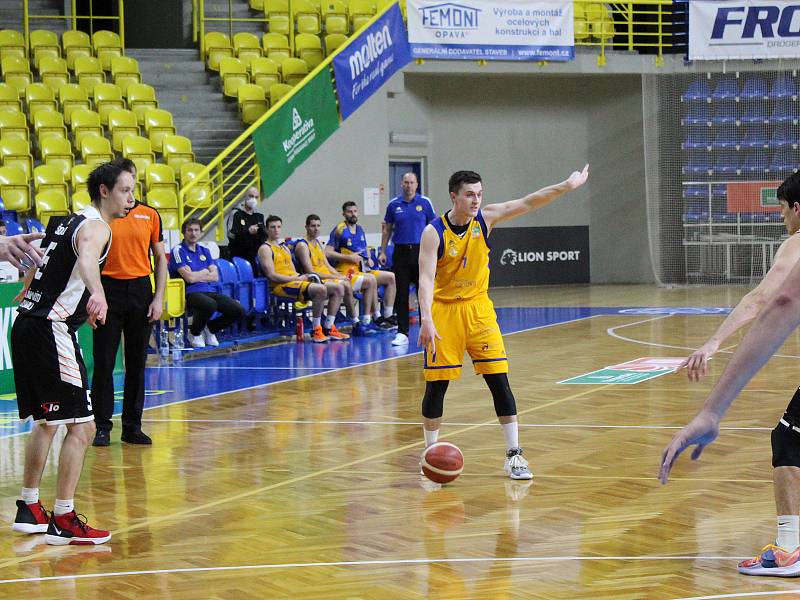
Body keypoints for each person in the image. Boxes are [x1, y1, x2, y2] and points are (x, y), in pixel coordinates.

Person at [660, 173, 800, 577]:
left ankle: (789, 550)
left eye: (781, 208)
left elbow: (772, 297)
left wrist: (713, 346)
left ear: (797, 209)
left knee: (789, 440)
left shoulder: (797, 242)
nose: (781, 218)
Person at [418, 166, 589, 480]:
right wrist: (426, 320)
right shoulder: (433, 232)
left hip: (479, 309)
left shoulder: (486, 219)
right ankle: (430, 453)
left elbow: (528, 202)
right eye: (469, 194)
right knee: (437, 386)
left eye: (480, 194)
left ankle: (514, 455)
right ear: (453, 196)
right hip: (444, 312)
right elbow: (425, 280)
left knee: (499, 381)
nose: (476, 200)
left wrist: (567, 185)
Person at [10, 161, 135, 545]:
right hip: (51, 329)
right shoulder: (96, 226)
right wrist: (97, 294)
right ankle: (63, 517)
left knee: (47, 421)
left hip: (26, 324)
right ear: (104, 191)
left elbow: (48, 260)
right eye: (126, 190)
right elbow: (84, 260)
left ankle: (30, 506)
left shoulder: (65, 222)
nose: (132, 197)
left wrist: (33, 287)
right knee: (83, 426)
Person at [92, 158, 167, 448]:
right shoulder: (101, 217)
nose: (130, 193)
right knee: (105, 362)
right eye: (125, 186)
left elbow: (160, 258)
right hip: (108, 288)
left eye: (132, 184)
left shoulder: (150, 214)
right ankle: (101, 426)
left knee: (137, 363)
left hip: (140, 290)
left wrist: (158, 298)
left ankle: (132, 426)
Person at [258, 215, 348, 342]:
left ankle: (328, 327)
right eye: (272, 227)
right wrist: (298, 279)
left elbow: (293, 271)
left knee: (338, 288)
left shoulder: (284, 248)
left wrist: (301, 277)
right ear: (267, 230)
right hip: (280, 286)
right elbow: (271, 275)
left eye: (278, 227)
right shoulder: (265, 249)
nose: (276, 230)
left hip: (294, 281)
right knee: (320, 289)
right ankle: (316, 329)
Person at [379, 172, 435, 346]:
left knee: (424, 292)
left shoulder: (425, 203)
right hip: (401, 252)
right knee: (401, 294)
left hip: (421, 252)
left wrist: (436, 250)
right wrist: (382, 251)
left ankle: (426, 328)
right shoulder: (393, 204)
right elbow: (387, 229)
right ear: (401, 184)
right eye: (406, 182)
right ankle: (402, 332)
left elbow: (433, 227)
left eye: (412, 182)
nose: (409, 185)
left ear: (417, 184)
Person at [171, 218, 245, 348]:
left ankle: (210, 329)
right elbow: (189, 279)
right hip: (189, 293)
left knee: (237, 309)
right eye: (189, 230)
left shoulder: (205, 251)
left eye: (196, 230)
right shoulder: (178, 250)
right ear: (184, 232)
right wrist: (205, 272)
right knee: (209, 305)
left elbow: (215, 276)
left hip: (208, 290)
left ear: (200, 232)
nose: (193, 233)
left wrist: (197, 274)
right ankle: (194, 333)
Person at [326, 201, 397, 332]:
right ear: (344, 214)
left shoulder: (360, 229)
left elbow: (364, 248)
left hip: (362, 269)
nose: (353, 214)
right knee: (370, 280)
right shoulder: (339, 229)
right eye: (349, 212)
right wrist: (349, 257)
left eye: (355, 211)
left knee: (390, 277)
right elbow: (328, 252)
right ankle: (367, 320)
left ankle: (387, 316)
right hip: (346, 272)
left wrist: (369, 258)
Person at [294, 214, 366, 339]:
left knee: (345, 283)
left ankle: (330, 326)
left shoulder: (317, 243)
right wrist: (337, 278)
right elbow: (311, 272)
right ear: (306, 227)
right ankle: (351, 322)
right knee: (341, 286)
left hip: (326, 277)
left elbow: (327, 265)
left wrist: (339, 275)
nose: (316, 229)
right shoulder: (302, 245)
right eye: (313, 226)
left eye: (318, 226)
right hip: (315, 280)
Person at [227, 186, 266, 267]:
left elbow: (264, 236)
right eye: (251, 196)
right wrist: (248, 232)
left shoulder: (259, 216)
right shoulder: (236, 213)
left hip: (255, 254)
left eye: (256, 197)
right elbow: (230, 234)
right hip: (238, 254)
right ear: (245, 196)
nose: (253, 199)